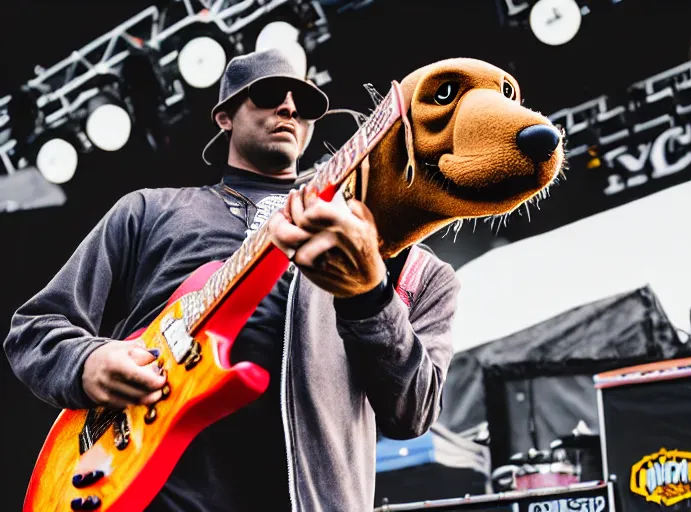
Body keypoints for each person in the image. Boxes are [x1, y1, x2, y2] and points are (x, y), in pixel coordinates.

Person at [4, 48, 460, 511]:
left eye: (304, 105)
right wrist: (89, 363)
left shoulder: (406, 268)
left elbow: (414, 412)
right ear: (224, 116)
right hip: (144, 490)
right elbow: (34, 328)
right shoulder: (149, 211)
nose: (288, 108)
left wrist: (370, 294)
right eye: (267, 95)